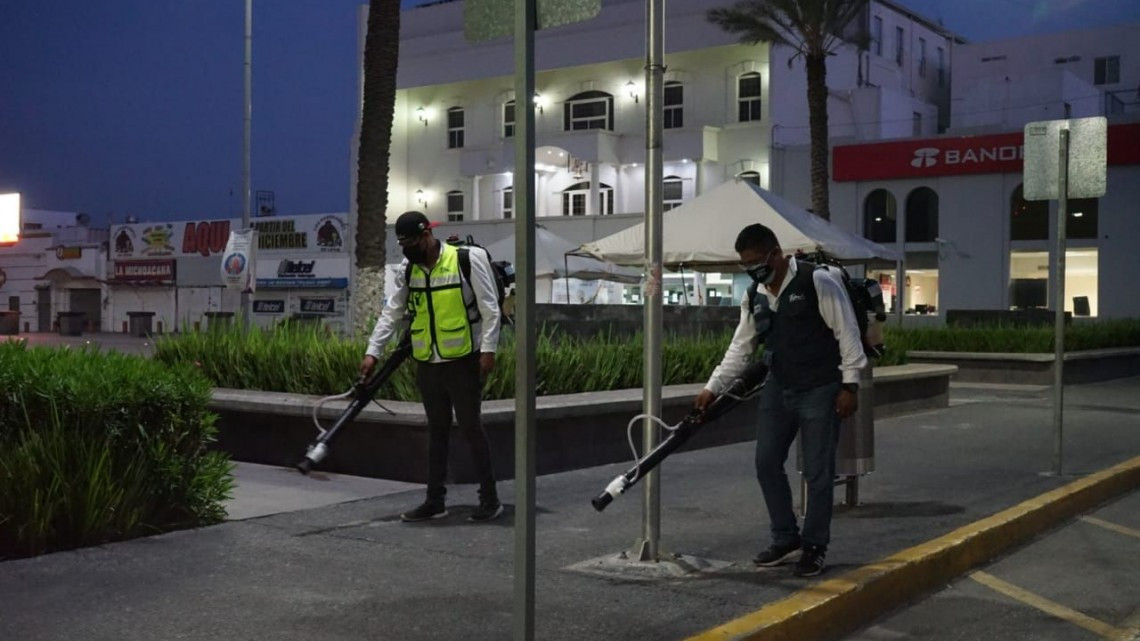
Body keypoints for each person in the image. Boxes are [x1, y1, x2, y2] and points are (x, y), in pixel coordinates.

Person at [694, 223, 866, 577]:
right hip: (779, 387)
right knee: (766, 462)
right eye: (745, 264)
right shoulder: (754, 293)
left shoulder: (817, 281)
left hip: (821, 387)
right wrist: (713, 387)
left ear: (776, 253)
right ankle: (786, 537)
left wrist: (851, 385)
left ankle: (815, 546)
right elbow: (741, 347)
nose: (752, 269)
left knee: (818, 473)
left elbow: (846, 332)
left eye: (757, 261)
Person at [360, 211, 504, 523]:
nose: (408, 248)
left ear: (427, 234)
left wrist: (488, 350)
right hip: (427, 360)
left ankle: (490, 499)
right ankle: (434, 500)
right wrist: (373, 352)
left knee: (471, 427)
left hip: (464, 358)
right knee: (436, 432)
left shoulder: (466, 258)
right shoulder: (408, 268)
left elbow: (490, 308)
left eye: (412, 241)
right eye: (403, 244)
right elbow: (392, 312)